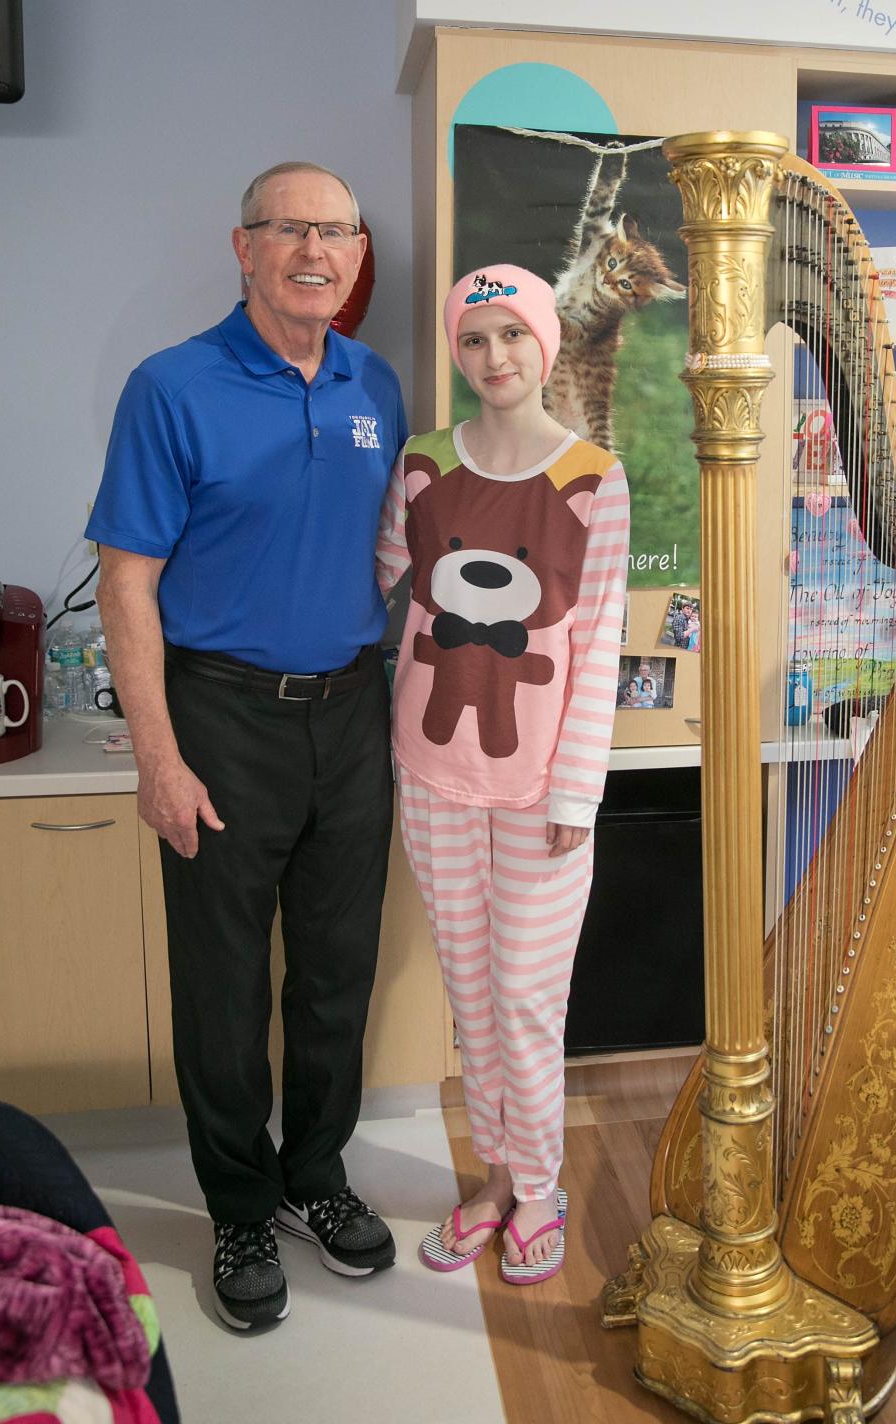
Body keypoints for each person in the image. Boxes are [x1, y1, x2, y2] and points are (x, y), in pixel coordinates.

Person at [86, 162, 405, 1331]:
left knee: (335, 972)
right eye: (291, 229)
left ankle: (315, 1177)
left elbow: (389, 551)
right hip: (218, 712)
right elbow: (128, 582)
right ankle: (237, 1200)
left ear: (358, 256)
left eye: (337, 231)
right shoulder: (171, 387)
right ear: (244, 245)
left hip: (352, 712)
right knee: (222, 986)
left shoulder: (378, 382)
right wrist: (156, 758)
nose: (316, 250)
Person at [376, 264, 629, 1285]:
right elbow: (380, 575)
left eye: (511, 336)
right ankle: (494, 1177)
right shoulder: (424, 461)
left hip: (543, 788)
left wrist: (577, 789)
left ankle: (541, 1184)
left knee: (526, 994)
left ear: (546, 344)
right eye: (474, 339)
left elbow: (603, 639)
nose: (494, 357)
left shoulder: (594, 477)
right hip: (432, 769)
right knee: (471, 994)